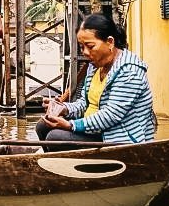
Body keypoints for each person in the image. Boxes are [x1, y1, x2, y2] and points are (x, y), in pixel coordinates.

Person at [38, 13, 156, 146]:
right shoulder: (95, 66)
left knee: (55, 137)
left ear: (110, 42)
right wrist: (63, 108)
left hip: (118, 138)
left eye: (90, 46)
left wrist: (71, 125)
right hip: (98, 131)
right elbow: (84, 104)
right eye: (82, 47)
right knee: (43, 125)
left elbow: (111, 115)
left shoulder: (130, 71)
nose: (85, 52)